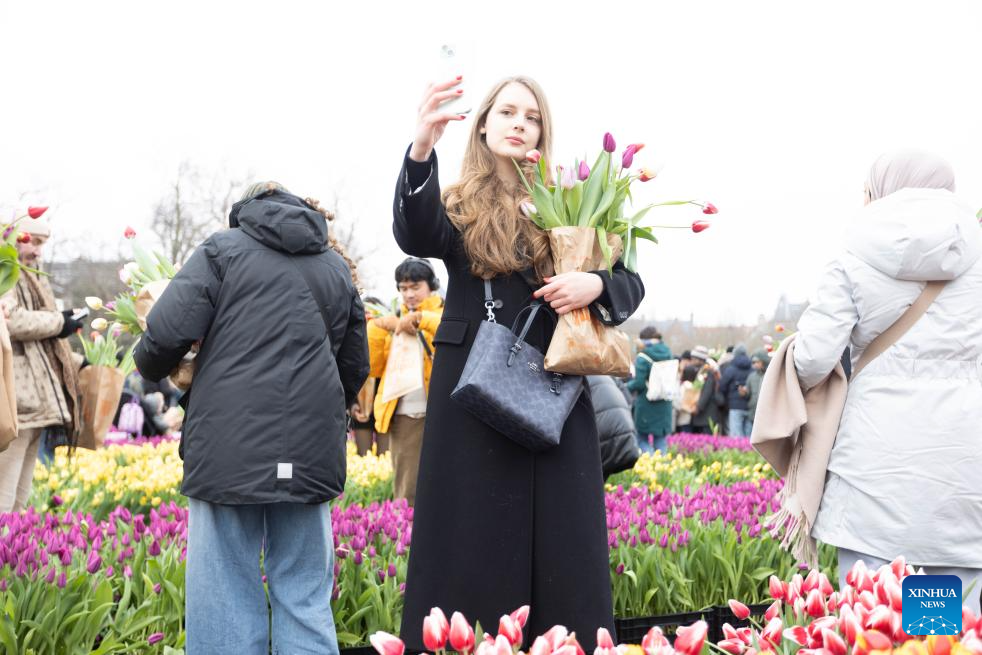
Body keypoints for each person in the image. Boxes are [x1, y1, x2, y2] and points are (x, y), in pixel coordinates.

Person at [394, 75, 644, 649]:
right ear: (483, 124)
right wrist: (421, 147)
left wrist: (593, 283)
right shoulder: (455, 202)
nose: (518, 123)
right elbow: (414, 230)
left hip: (554, 389)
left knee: (561, 540)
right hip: (472, 395)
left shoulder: (571, 200)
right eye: (506, 112)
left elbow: (630, 285)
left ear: (541, 131)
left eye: (531, 116)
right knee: (470, 538)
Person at [134, 182, 369, 654]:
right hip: (309, 449)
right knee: (305, 591)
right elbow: (354, 365)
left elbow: (166, 331)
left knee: (225, 588)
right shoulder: (334, 267)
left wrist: (151, 366)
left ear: (246, 210)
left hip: (228, 444)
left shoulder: (223, 250)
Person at [793, 149, 982, 611]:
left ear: (879, 190)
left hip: (876, 470)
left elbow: (813, 359)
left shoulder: (854, 254)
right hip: (964, 467)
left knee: (875, 623)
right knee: (948, 629)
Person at [0, 216, 83, 512]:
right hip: (15, 401)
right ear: (12, 239)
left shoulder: (32, 277)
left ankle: (12, 557)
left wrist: (78, 362)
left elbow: (38, 348)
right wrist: (59, 322)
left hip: (35, 403)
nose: (37, 252)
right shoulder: (4, 271)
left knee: (19, 501)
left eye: (41, 244)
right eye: (31, 242)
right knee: (4, 499)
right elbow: (11, 320)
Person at [366, 259, 443, 504]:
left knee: (440, 488)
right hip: (403, 414)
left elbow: (447, 339)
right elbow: (373, 368)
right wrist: (379, 327)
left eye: (415, 286)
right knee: (406, 491)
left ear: (431, 286)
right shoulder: (393, 320)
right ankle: (407, 540)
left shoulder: (445, 313)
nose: (409, 294)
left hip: (439, 412)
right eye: (403, 288)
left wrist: (422, 319)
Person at [626, 327, 673, 453]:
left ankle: (649, 468)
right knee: (661, 441)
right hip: (665, 402)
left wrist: (625, 387)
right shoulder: (668, 353)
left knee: (642, 439)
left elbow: (639, 383)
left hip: (646, 405)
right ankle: (662, 469)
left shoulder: (643, 357)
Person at [351, 296, 387, 457]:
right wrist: (351, 404)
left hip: (385, 403)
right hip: (360, 404)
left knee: (385, 456)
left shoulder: (389, 338)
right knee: (363, 456)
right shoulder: (354, 339)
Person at [588, 375, 640, 479]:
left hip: (603, 439)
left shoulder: (574, 373)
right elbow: (629, 399)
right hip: (624, 436)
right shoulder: (604, 373)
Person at [718, 344, 752, 436]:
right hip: (749, 405)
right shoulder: (752, 368)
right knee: (748, 435)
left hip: (734, 406)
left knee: (736, 435)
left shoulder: (731, 368)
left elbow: (722, 386)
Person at [688, 345, 721, 435]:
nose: (692, 361)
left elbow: (707, 392)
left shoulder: (708, 372)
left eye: (694, 358)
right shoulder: (701, 371)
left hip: (707, 413)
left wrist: (698, 407)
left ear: (700, 359)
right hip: (701, 414)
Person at [744, 349, 769, 434]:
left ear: (764, 362)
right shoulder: (751, 376)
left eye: (757, 362)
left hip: (767, 413)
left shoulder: (770, 375)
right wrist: (744, 393)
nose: (754, 364)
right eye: (753, 362)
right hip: (753, 413)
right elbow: (748, 394)